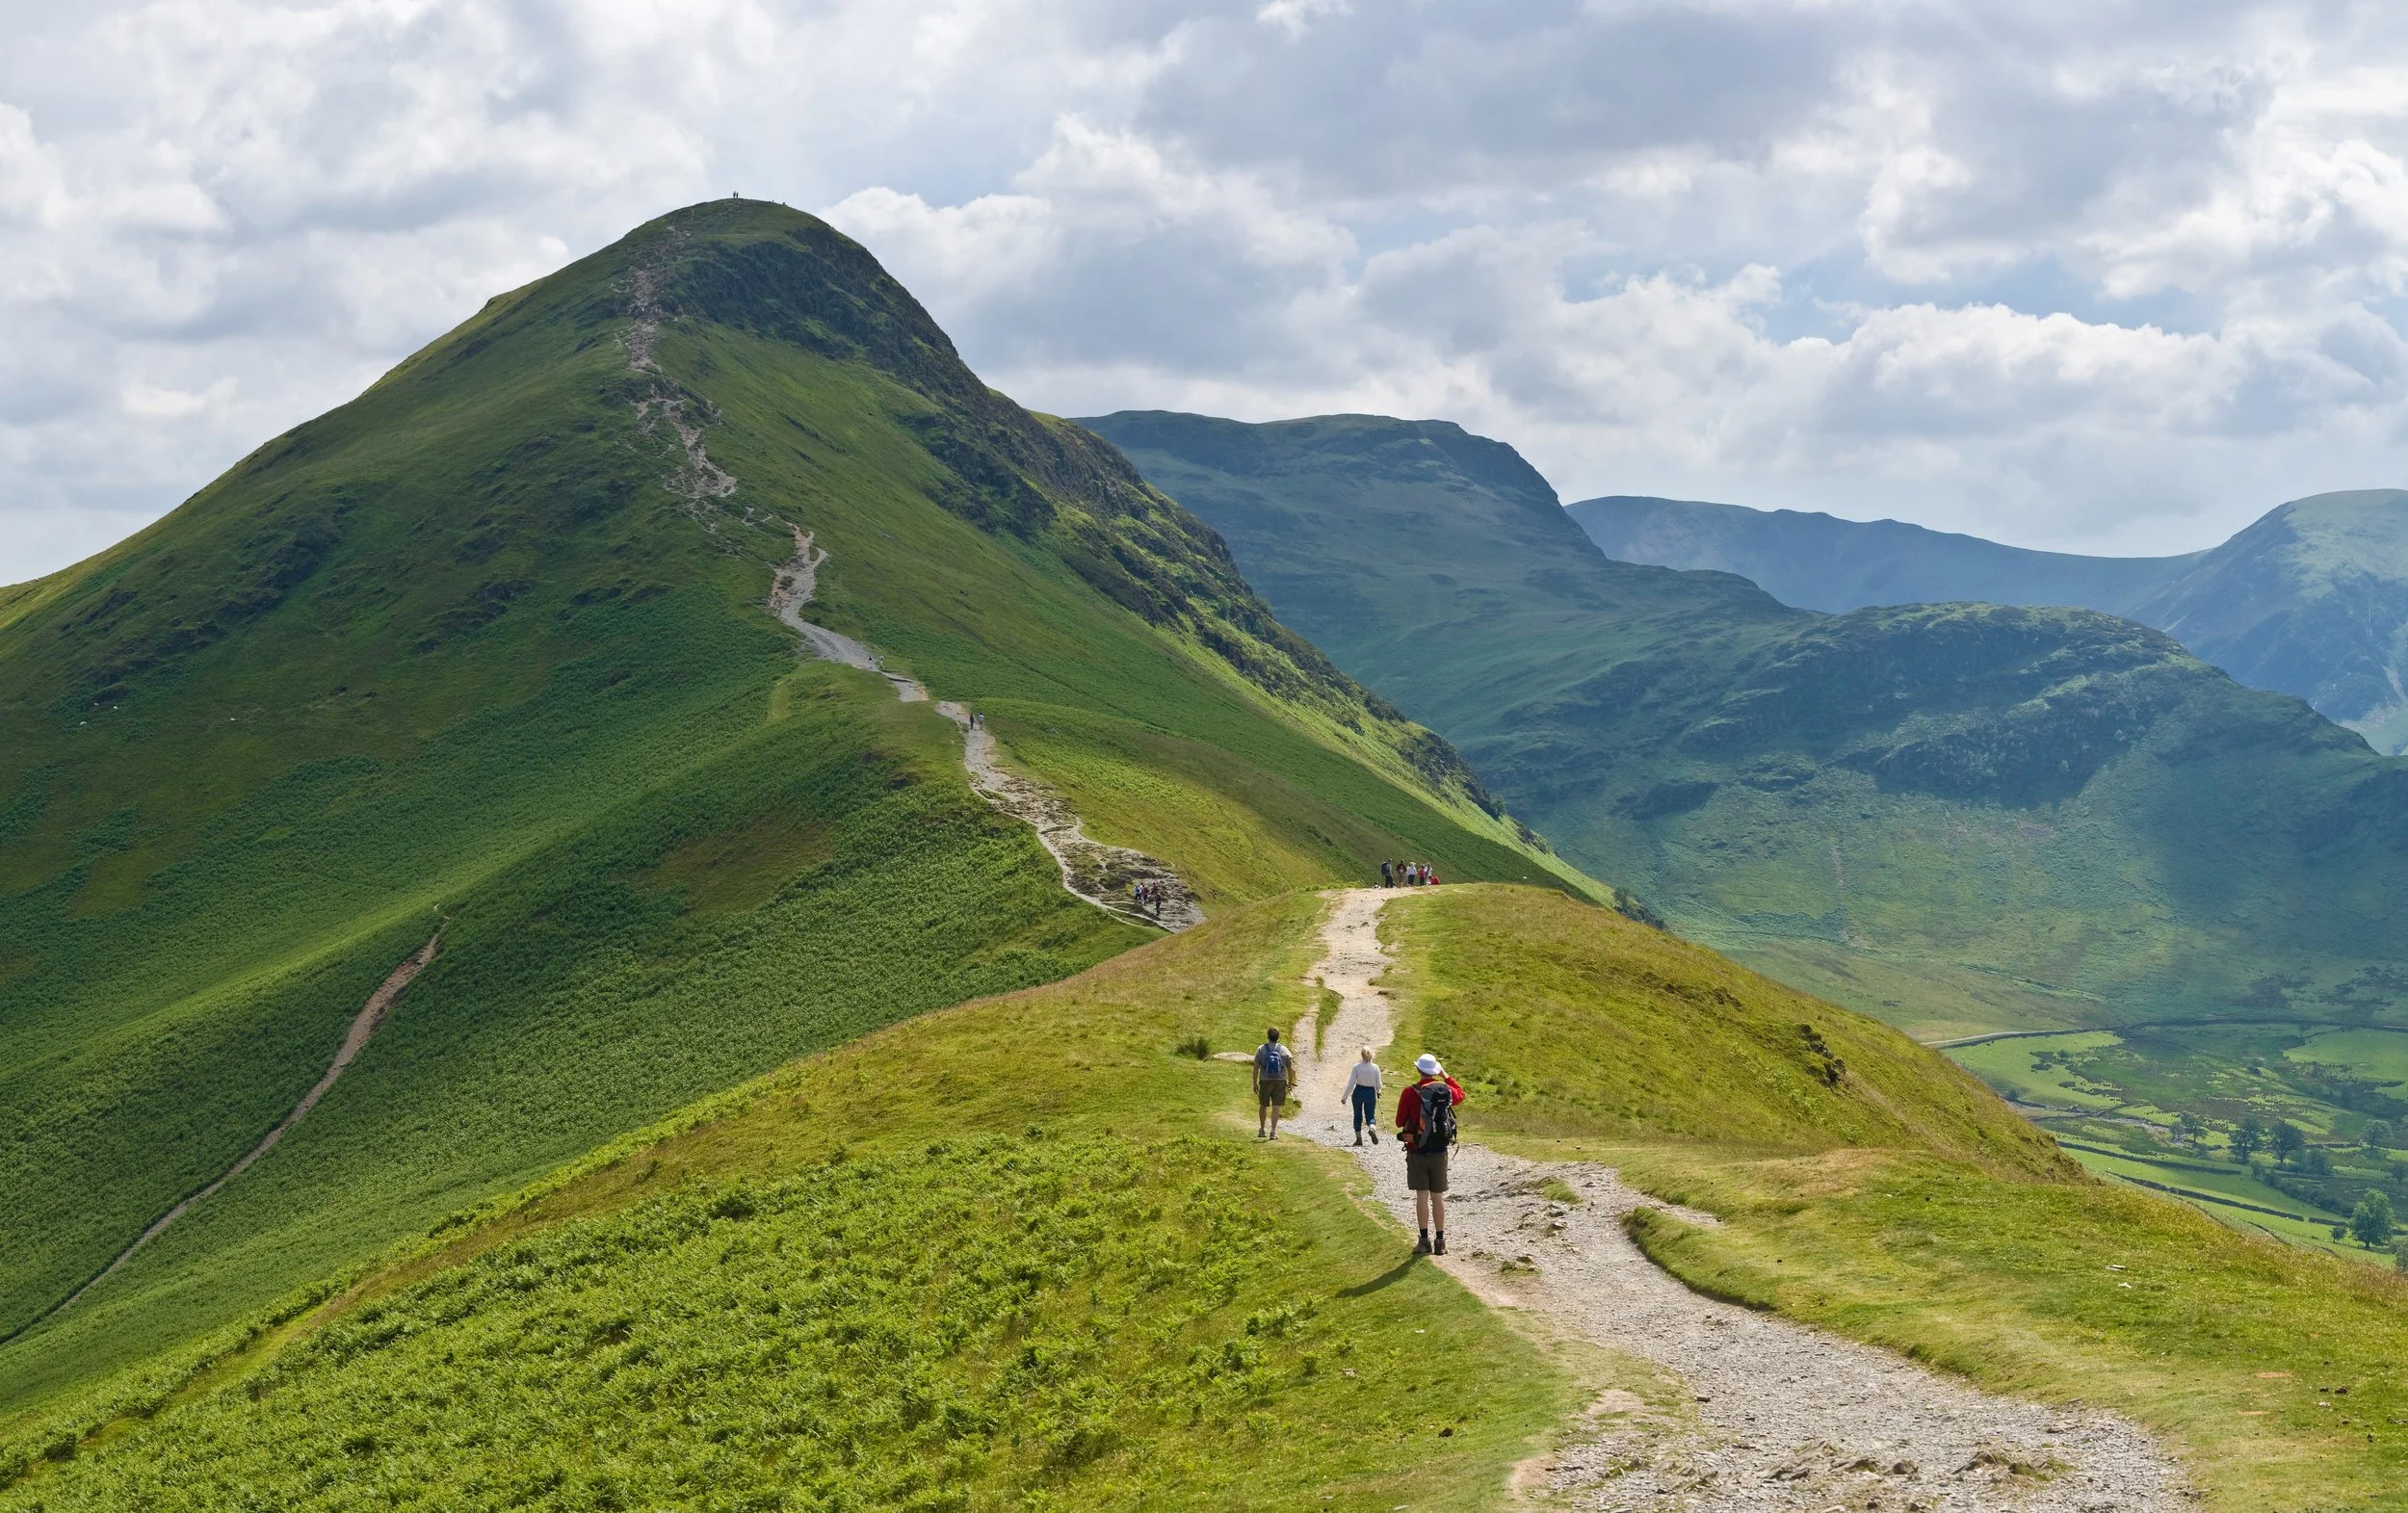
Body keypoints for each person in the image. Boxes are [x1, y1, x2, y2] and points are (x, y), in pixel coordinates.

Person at [1395, 1052, 1465, 1253]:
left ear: (1418, 1069)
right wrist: (1445, 1075)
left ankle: (1424, 1241)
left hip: (1417, 1149)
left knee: (1422, 1197)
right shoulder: (1445, 1091)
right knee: (1438, 1198)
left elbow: (1399, 1122)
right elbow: (1461, 1093)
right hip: (1439, 1150)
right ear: (1434, 1071)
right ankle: (1440, 1241)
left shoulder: (1409, 1092)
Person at [1253, 1027, 1295, 1139]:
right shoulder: (1284, 1050)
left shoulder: (1261, 1049)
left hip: (1265, 1081)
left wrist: (1255, 1083)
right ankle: (1273, 1132)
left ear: (1268, 1036)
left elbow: (1256, 1067)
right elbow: (1290, 1069)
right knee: (1276, 1106)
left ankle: (1262, 1129)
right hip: (1280, 1081)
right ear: (1278, 1037)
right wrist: (1290, 1084)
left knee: (1263, 1105)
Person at [1345, 1047, 1383, 1146]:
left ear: (1362, 1055)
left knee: (1357, 1115)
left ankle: (1359, 1139)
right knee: (1370, 1114)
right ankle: (1371, 1127)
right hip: (1370, 1092)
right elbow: (1378, 1084)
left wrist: (1345, 1097)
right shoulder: (1375, 1067)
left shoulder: (1357, 1067)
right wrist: (1378, 1090)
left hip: (1358, 1091)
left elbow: (1351, 1083)